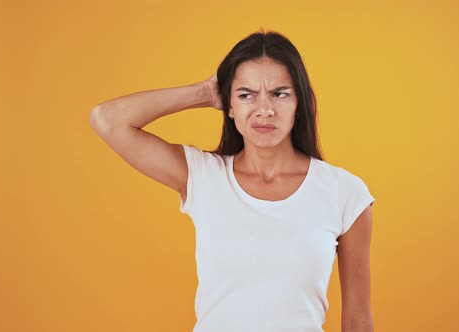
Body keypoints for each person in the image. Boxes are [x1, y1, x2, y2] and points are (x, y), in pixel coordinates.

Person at [90, 29, 376, 332]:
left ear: (298, 103)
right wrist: (204, 92)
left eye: (280, 94)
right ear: (229, 106)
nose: (264, 109)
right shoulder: (203, 176)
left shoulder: (345, 193)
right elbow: (107, 120)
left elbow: (358, 321)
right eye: (246, 95)